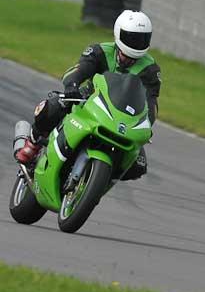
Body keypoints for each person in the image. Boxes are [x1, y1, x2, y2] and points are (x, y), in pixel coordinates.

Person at [14, 10, 161, 180]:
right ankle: (32, 144)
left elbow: (151, 102)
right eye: (131, 38)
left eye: (141, 39)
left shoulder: (150, 69)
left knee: (138, 164)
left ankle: (100, 180)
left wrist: (147, 123)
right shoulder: (99, 51)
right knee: (53, 106)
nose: (135, 44)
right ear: (118, 33)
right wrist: (72, 85)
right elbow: (78, 70)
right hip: (89, 99)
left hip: (122, 117)